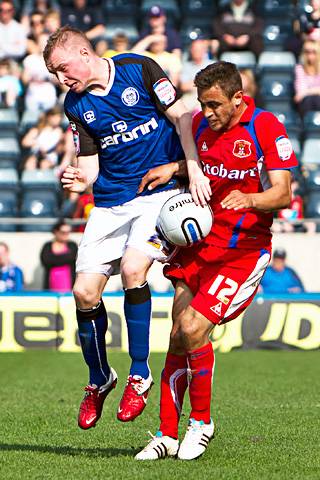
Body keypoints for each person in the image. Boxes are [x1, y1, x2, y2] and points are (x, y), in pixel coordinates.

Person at [43, 26, 207, 430]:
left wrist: (194, 169)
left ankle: (139, 372)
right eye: (55, 74)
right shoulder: (75, 105)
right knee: (83, 292)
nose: (62, 80)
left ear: (84, 52)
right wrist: (79, 179)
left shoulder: (140, 68)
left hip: (158, 193)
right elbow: (92, 166)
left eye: (63, 69)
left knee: (135, 269)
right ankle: (99, 379)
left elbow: (183, 116)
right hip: (111, 202)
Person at [136, 61, 298, 461]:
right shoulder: (203, 129)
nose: (206, 114)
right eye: (202, 104)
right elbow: (205, 170)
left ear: (238, 99)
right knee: (177, 333)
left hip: (242, 252)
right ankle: (166, 434)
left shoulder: (264, 127)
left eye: (214, 105)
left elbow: (283, 194)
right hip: (198, 246)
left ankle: (201, 422)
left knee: (193, 328)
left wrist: (251, 199)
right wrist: (171, 168)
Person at [40, 221, 78, 292]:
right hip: (51, 285)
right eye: (63, 232)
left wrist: (54, 259)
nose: (66, 235)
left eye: (68, 232)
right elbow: (45, 261)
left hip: (69, 285)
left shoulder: (72, 245)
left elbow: (71, 257)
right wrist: (65, 258)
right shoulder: (47, 246)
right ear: (56, 232)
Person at [294, 39, 320, 117]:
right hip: (306, 104)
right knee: (309, 100)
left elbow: (302, 93)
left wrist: (307, 92)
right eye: (307, 51)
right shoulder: (299, 69)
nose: (310, 55)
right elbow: (300, 90)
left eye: (313, 52)